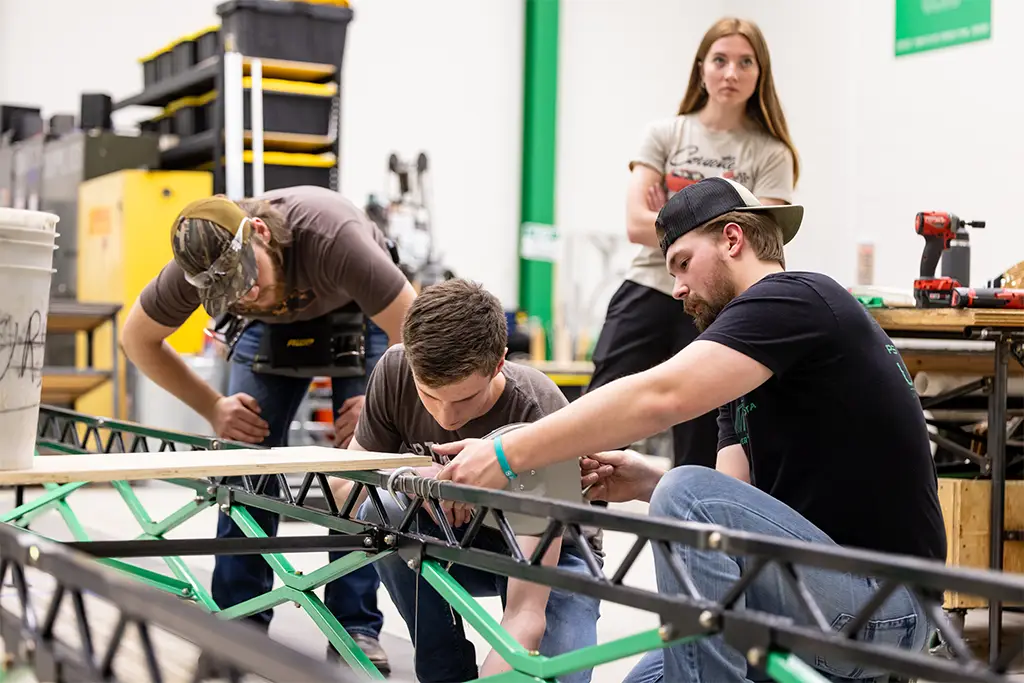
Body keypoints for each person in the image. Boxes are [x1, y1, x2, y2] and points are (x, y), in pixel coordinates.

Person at [433, 177, 947, 682]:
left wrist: (507, 453)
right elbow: (730, 507)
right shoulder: (745, 373)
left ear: (732, 239)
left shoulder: (797, 297)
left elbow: (659, 397)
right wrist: (649, 481)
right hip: (812, 595)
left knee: (687, 493)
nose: (676, 288)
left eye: (682, 263)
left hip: (884, 608)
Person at [120, 186, 418, 674]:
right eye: (230, 292)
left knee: (360, 461)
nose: (246, 294)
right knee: (244, 458)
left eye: (247, 275)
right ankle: (239, 621)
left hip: (358, 312)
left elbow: (413, 326)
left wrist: (381, 406)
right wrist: (213, 407)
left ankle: (355, 627)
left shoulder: (334, 238)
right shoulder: (197, 267)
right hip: (270, 327)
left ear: (259, 232)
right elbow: (136, 339)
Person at [327, 278, 602, 683]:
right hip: (456, 540)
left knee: (546, 675)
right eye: (429, 395)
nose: (446, 416)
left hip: (556, 552)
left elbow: (526, 615)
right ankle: (443, 672)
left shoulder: (537, 410)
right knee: (383, 510)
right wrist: (412, 484)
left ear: (499, 363)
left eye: (465, 398)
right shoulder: (395, 370)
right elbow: (343, 491)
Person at [587, 16, 799, 470]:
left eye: (745, 62)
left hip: (719, 299)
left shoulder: (772, 153)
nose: (731, 73)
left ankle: (687, 518)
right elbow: (635, 224)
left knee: (702, 436)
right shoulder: (665, 134)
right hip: (649, 285)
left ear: (760, 73)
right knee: (599, 414)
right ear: (701, 67)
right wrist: (717, 222)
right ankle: (579, 515)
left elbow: (759, 238)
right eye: (720, 60)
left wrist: (669, 213)